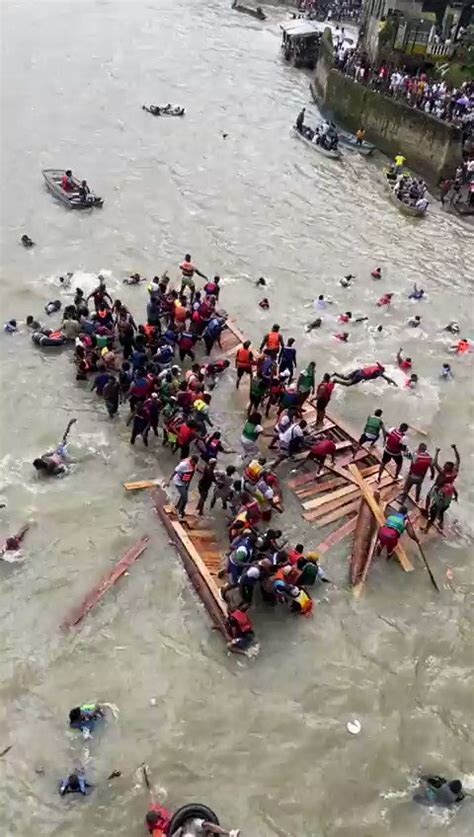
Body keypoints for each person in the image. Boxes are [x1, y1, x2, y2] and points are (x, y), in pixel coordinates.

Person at [168, 454, 199, 518]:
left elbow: (191, 474)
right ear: (191, 460)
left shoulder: (194, 465)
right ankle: (181, 511)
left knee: (183, 495)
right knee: (185, 499)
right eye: (194, 463)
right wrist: (169, 481)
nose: (194, 464)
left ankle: (177, 506)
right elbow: (175, 471)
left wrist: (188, 483)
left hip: (185, 482)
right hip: (178, 482)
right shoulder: (183, 465)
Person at [332, 364, 397, 387]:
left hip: (359, 371)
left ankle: (335, 374)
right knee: (348, 384)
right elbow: (386, 377)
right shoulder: (377, 372)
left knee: (346, 377)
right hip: (360, 375)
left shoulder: (375, 367)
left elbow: (369, 374)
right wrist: (393, 382)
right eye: (382, 372)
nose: (382, 373)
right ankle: (336, 381)